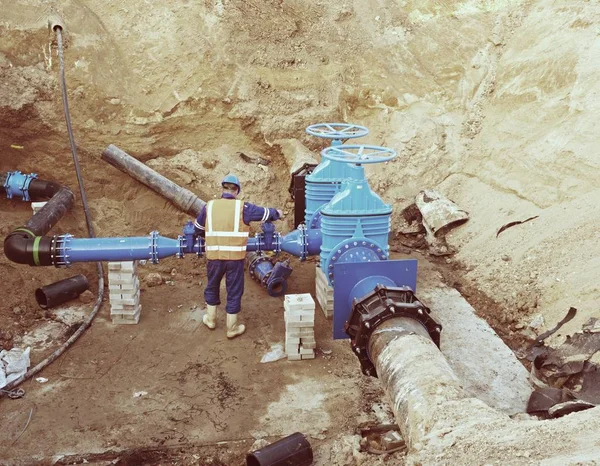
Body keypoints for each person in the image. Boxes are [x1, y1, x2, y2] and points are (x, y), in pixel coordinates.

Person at [193, 173, 283, 338]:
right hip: (234, 259)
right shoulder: (243, 208)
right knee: (234, 290)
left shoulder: (209, 206)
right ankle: (232, 328)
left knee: (212, 285)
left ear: (222, 189)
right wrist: (277, 213)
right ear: (237, 191)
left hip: (214, 257)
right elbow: (266, 213)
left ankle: (211, 319)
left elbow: (197, 228)